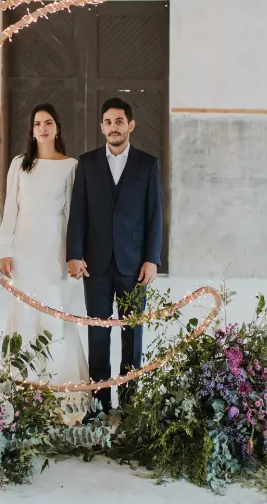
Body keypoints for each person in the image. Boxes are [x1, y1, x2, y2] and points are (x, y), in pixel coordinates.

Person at [66, 97, 163, 418]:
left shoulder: (148, 164)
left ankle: (131, 402)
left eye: (119, 121)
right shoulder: (88, 163)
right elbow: (77, 212)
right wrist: (74, 255)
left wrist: (152, 259)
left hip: (134, 264)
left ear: (131, 125)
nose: (113, 127)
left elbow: (155, 216)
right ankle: (100, 400)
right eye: (108, 122)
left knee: (132, 333)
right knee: (98, 331)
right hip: (95, 264)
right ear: (102, 127)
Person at [0, 103, 89, 420]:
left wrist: (74, 254)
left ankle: (61, 397)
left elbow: (72, 215)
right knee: (23, 313)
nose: (43, 128)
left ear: (57, 127)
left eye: (49, 122)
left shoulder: (70, 166)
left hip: (54, 251)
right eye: (37, 123)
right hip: (24, 250)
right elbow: (10, 209)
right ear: (31, 130)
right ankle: (22, 393)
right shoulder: (20, 164)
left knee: (53, 313)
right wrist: (5, 248)